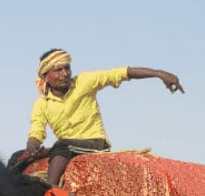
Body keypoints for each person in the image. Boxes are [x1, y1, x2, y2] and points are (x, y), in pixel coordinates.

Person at [24, 49, 184, 185]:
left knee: (61, 146)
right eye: (58, 70)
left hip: (95, 144)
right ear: (46, 77)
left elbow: (120, 73)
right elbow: (36, 134)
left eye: (67, 68)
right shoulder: (41, 104)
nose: (65, 74)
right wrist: (29, 152)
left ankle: (51, 194)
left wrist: (158, 74)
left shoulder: (84, 81)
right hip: (68, 148)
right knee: (18, 158)